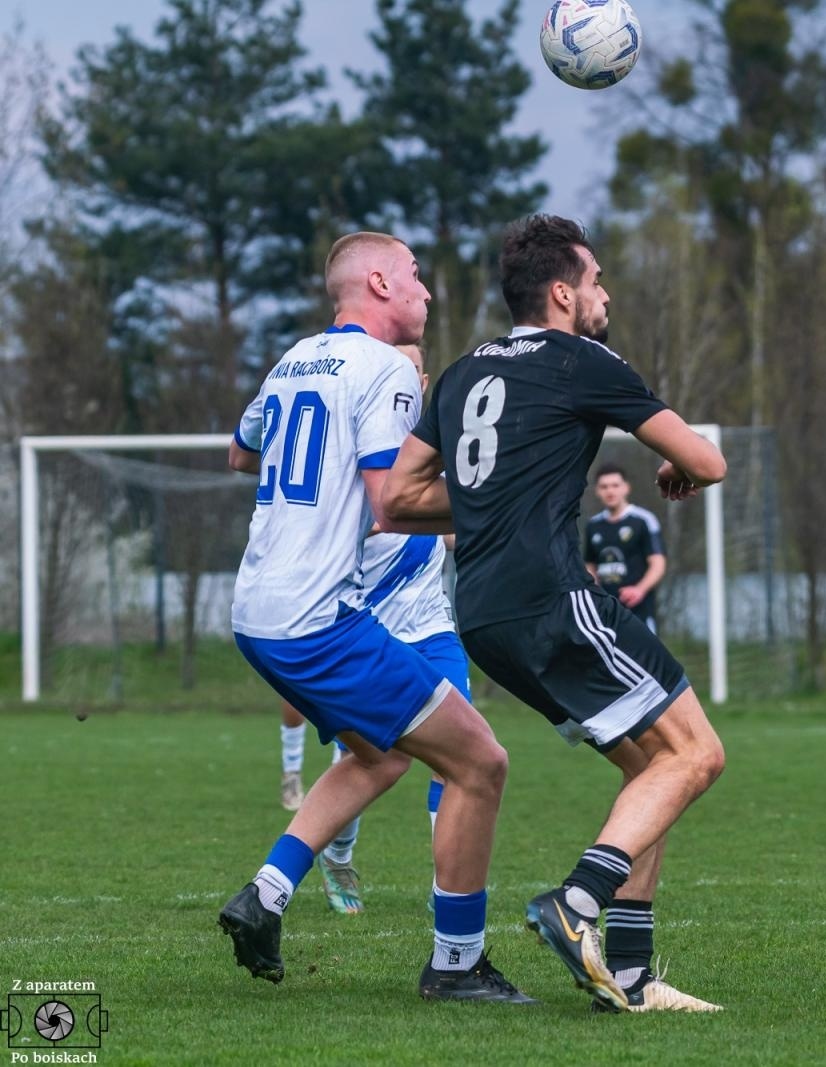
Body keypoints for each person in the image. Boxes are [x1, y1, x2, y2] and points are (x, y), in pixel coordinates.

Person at [383, 214, 727, 1013]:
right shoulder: (583, 360)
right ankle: (575, 901)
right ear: (565, 292)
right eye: (598, 279)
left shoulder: (463, 373)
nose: (606, 292)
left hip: (483, 613)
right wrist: (680, 466)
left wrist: (489, 503)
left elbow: (398, 498)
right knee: (698, 755)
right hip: (553, 597)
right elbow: (708, 459)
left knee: (655, 773)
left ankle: (634, 977)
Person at [220, 232, 531, 1004]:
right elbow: (394, 504)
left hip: (256, 610)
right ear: (382, 283)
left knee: (379, 754)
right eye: (419, 277)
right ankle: (457, 964)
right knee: (480, 761)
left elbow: (239, 453)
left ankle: (264, 893)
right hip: (318, 619)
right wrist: (513, 502)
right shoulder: (388, 369)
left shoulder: (294, 357)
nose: (428, 291)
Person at [271, 344, 465, 916]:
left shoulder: (436, 454)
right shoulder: (350, 456)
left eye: (408, 368)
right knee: (362, 761)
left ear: (421, 379)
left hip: (433, 630)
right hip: (368, 633)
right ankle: (338, 850)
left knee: (462, 753)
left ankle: (447, 886)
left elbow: (451, 531)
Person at [584, 464, 667, 632]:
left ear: (626, 487)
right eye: (604, 486)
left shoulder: (643, 520)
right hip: (605, 610)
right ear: (597, 491)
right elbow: (590, 565)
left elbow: (658, 564)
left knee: (644, 656)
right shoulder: (593, 525)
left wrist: (639, 590)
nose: (610, 491)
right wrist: (595, 593)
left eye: (615, 485)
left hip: (638, 609)